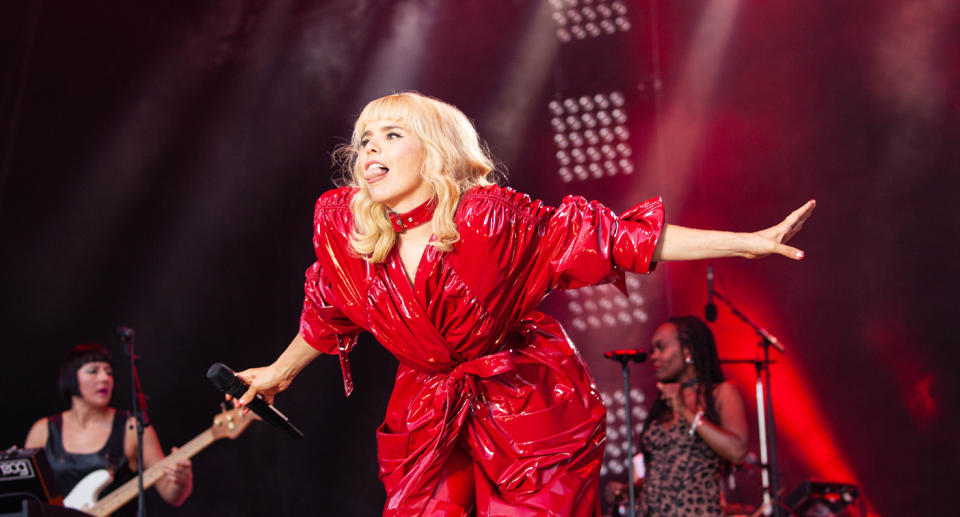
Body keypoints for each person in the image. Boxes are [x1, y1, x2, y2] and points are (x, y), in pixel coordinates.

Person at [233, 91, 814, 517]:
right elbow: (328, 308)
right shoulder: (346, 227)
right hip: (429, 407)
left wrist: (745, 243)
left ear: (435, 152)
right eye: (364, 140)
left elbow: (615, 237)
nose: (369, 151)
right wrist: (279, 372)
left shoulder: (489, 218)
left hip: (526, 400)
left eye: (391, 135)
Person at [24, 343, 193, 511]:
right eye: (93, 371)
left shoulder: (132, 428)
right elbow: (26, 496)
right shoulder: (43, 430)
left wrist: (181, 482)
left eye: (109, 372)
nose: (104, 378)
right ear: (71, 377)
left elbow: (170, 495)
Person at [639, 316, 749, 517]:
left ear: (688, 350)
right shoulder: (663, 402)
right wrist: (631, 489)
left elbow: (737, 450)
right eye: (652, 350)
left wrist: (685, 412)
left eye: (661, 347)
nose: (653, 356)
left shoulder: (721, 393)